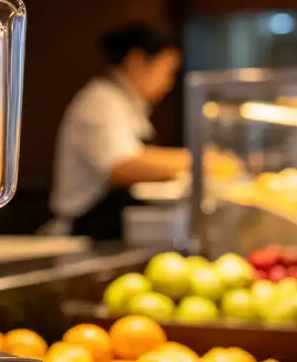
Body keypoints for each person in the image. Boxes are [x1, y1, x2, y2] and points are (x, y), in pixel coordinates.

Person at [48, 23, 190, 240]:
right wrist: (196, 160)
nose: (169, 83)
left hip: (107, 229)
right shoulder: (101, 101)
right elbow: (121, 166)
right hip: (86, 235)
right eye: (167, 70)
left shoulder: (127, 104)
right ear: (137, 61)